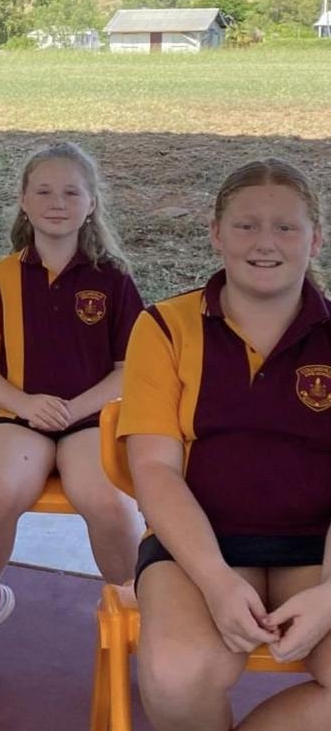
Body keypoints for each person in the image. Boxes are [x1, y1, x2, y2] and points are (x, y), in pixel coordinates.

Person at [117, 158, 331, 731]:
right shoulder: (163, 327)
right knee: (177, 674)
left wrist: (330, 595)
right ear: (216, 234)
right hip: (197, 546)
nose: (266, 242)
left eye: (286, 227)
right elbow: (155, 471)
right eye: (245, 225)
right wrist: (215, 579)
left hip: (317, 546)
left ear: (316, 239)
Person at [0, 141, 144, 652]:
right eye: (43, 190)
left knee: (109, 502)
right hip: (17, 416)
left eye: (70, 192)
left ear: (91, 204)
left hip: (90, 420)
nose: (56, 201)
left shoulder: (114, 279)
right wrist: (25, 403)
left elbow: (132, 370)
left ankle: (137, 610)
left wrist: (75, 408)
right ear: (23, 200)